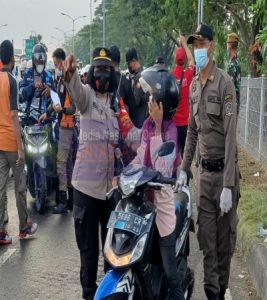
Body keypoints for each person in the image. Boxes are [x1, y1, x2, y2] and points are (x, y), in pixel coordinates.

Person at [176, 23, 240, 300]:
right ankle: (213, 293)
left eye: (202, 44)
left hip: (224, 177)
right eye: (194, 44)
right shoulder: (194, 86)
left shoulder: (225, 83)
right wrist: (183, 169)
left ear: (212, 46)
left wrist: (228, 184)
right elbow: (192, 131)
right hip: (203, 179)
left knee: (224, 247)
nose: (198, 49)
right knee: (207, 244)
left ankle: (221, 287)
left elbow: (230, 135)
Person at [61, 47, 119, 300]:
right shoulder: (87, 99)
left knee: (111, 255)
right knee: (88, 255)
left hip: (109, 193)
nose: (103, 74)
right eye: (99, 69)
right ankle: (88, 295)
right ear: (92, 72)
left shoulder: (118, 105)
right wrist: (71, 74)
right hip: (85, 190)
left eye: (107, 69)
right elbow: (76, 91)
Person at [128, 65, 184, 299]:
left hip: (162, 206)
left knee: (171, 272)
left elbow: (162, 168)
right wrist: (123, 173)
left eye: (151, 97)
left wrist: (160, 125)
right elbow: (141, 156)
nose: (147, 101)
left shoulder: (169, 130)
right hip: (144, 202)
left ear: (161, 102)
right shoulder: (147, 127)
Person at [0, 40, 38, 245]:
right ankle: (24, 228)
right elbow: (14, 116)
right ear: (12, 60)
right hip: (11, 142)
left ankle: (1, 232)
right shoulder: (12, 80)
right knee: (20, 185)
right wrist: (20, 147)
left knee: (0, 187)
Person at [39, 48, 76, 213]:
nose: (56, 67)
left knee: (61, 163)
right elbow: (57, 100)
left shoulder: (69, 79)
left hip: (67, 126)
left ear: (62, 61)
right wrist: (47, 111)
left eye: (56, 64)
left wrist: (62, 110)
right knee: (67, 164)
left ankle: (63, 201)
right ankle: (70, 201)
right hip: (62, 125)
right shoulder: (61, 79)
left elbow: (73, 107)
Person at [109, 45, 137, 165]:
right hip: (123, 131)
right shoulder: (126, 82)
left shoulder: (104, 81)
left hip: (107, 130)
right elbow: (133, 109)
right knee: (125, 166)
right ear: (120, 61)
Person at [172, 35, 195, 158]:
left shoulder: (170, 77)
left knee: (175, 155)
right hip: (185, 123)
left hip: (173, 123)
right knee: (185, 154)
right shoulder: (187, 75)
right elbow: (192, 61)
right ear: (184, 60)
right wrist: (185, 44)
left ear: (174, 59)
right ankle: (185, 175)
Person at [19, 44, 54, 118]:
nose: (40, 64)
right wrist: (33, 85)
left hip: (45, 117)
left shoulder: (49, 76)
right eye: (38, 62)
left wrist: (50, 93)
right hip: (30, 116)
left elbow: (57, 98)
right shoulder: (27, 73)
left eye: (41, 62)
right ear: (34, 61)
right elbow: (22, 95)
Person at [125, 47, 149, 128]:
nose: (128, 66)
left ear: (134, 61)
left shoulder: (139, 77)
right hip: (142, 119)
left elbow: (135, 101)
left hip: (139, 121)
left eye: (129, 63)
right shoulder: (140, 74)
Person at [227, 33, 241, 115]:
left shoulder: (232, 65)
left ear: (229, 46)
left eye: (227, 44)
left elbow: (229, 89)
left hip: (230, 107)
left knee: (229, 127)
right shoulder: (237, 62)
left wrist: (228, 112)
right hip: (235, 105)